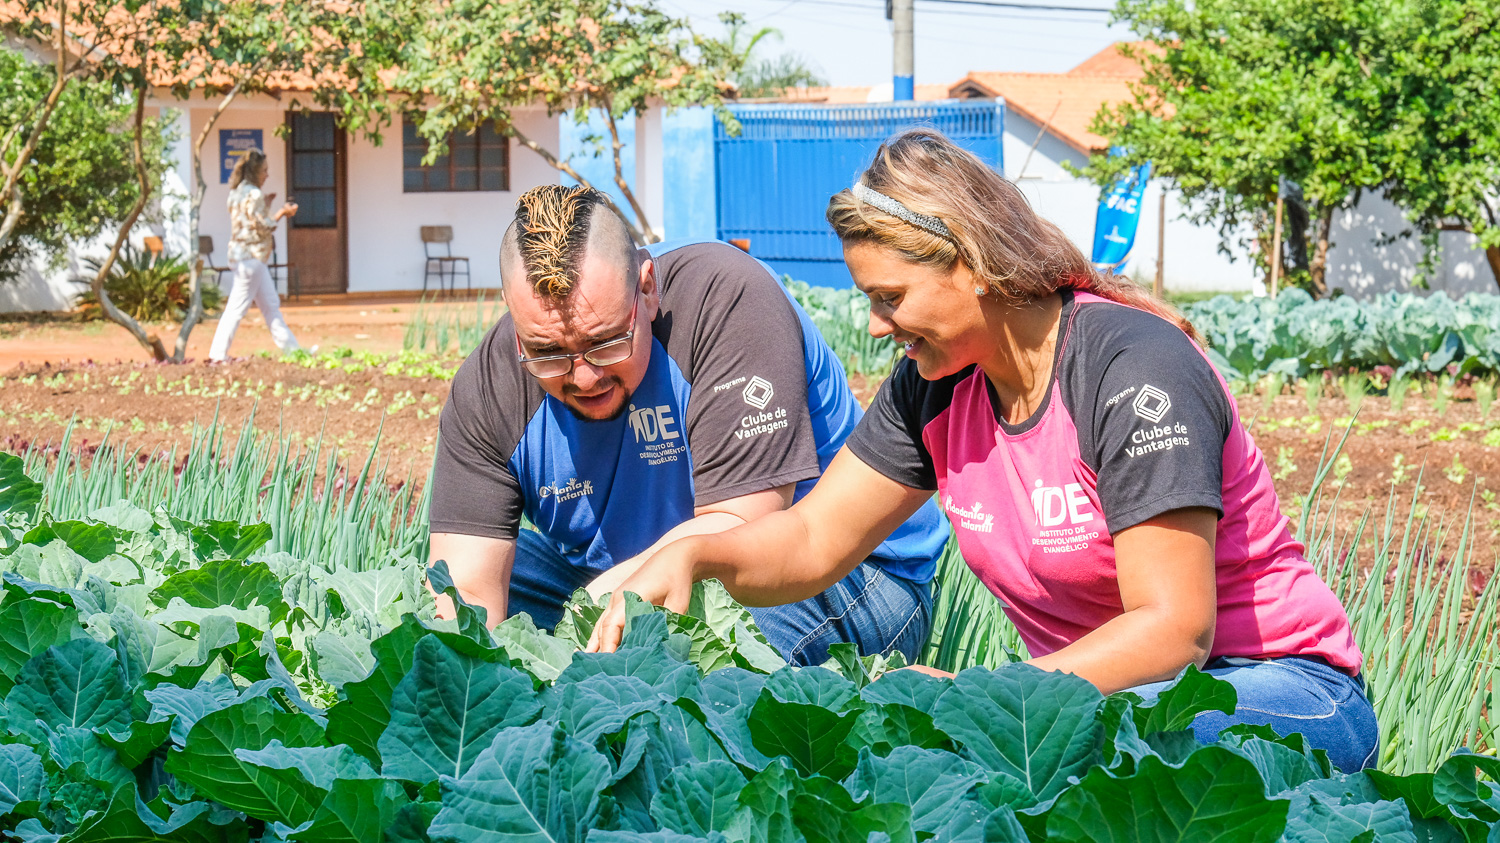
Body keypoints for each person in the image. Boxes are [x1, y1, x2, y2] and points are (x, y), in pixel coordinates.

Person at [588, 130, 1379, 773]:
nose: (875, 324)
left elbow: (1173, 629)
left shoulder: (1131, 367)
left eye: (888, 297)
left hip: (1273, 690)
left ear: (970, 263)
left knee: (1117, 752)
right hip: (1095, 702)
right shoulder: (935, 386)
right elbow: (811, 540)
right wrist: (696, 558)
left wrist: (982, 693)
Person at [427, 184, 949, 666]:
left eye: (606, 342)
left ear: (647, 290)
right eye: (547, 353)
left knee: (708, 663)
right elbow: (466, 590)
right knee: (451, 622)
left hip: (836, 572)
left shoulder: (727, 300)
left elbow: (743, 529)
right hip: (616, 575)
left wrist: (577, 628)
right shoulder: (489, 384)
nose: (583, 375)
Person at [209, 149, 303, 362]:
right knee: (236, 309)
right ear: (254, 172)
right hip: (252, 258)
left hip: (241, 257)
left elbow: (247, 219)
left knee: (271, 306)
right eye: (264, 171)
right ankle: (217, 354)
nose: (267, 175)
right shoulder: (254, 194)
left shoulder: (236, 192)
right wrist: (282, 213)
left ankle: (294, 352)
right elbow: (263, 225)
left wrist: (266, 205)